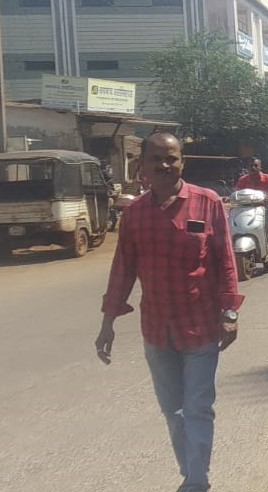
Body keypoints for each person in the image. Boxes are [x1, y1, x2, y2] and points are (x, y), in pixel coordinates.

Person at [95, 131, 243, 492]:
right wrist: (108, 323)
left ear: (182, 162)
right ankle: (190, 472)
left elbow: (226, 260)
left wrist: (230, 313)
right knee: (172, 412)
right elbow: (123, 270)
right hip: (157, 331)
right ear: (142, 165)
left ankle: (196, 482)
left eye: (172, 158)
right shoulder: (134, 214)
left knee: (197, 408)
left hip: (201, 327)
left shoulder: (208, 204)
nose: (164, 165)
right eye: (156, 158)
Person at [235, 157, 268, 237]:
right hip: (246, 208)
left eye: (256, 165)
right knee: (235, 221)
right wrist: (229, 198)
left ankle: (267, 244)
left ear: (260, 167)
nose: (253, 168)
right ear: (247, 168)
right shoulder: (242, 180)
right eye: (251, 166)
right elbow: (236, 193)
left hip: (266, 207)